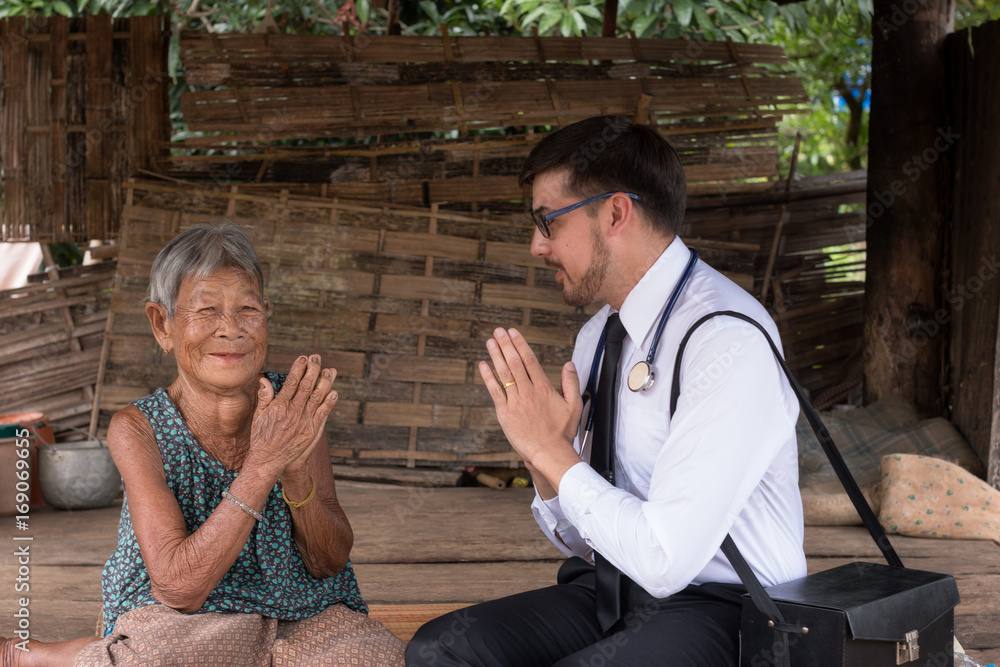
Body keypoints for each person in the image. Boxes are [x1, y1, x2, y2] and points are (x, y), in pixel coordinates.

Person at [406, 116, 806, 666]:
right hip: (615, 589)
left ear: (616, 213)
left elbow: (666, 557)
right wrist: (551, 463)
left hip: (732, 609)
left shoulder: (727, 339)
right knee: (440, 649)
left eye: (547, 222)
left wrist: (548, 450)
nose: (536, 246)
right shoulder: (598, 336)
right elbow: (584, 541)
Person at [1, 222, 404, 667]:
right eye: (206, 310)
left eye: (247, 309)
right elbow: (179, 588)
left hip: (302, 610)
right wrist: (265, 462)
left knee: (380, 658)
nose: (231, 329)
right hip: (183, 620)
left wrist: (293, 471)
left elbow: (329, 561)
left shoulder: (294, 406)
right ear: (163, 325)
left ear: (266, 315)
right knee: (155, 659)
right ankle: (43, 656)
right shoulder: (138, 428)